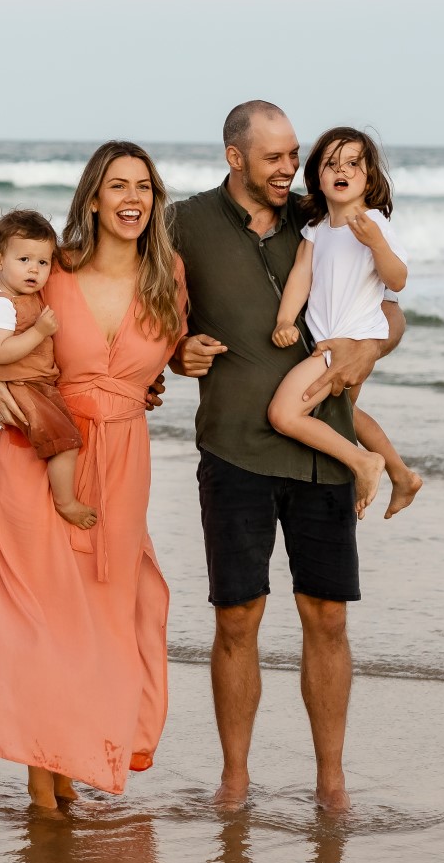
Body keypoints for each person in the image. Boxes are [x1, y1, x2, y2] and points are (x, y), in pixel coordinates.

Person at [165, 100, 406, 815]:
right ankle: (234, 778)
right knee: (237, 616)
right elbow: (150, 311)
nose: (287, 168)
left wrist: (375, 344)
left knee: (326, 615)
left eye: (292, 153)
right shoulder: (185, 222)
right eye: (273, 156)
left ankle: (330, 779)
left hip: (324, 451)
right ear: (234, 156)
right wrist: (178, 352)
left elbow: (390, 304)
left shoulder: (320, 213)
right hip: (235, 444)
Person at [0, 140, 187, 810]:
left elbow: (176, 357)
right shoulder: (52, 267)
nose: (131, 199)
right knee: (41, 619)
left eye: (143, 186)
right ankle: (45, 787)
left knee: (115, 610)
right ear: (93, 196)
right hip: (41, 452)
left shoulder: (169, 273)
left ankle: (79, 755)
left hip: (123, 459)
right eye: (117, 185)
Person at [268, 127, 423, 517]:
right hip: (329, 344)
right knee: (346, 416)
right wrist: (285, 319)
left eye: (354, 163)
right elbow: (301, 276)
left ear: (369, 177)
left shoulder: (373, 224)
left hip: (347, 346)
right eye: (331, 163)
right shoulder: (318, 229)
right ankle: (402, 475)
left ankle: (364, 462)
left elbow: (397, 280)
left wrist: (377, 243)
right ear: (317, 177)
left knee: (284, 415)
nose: (343, 170)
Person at [0, 208, 90, 529]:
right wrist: (39, 331)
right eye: (23, 260)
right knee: (65, 441)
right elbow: (1, 351)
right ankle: (65, 501)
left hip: (30, 380)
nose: (34, 270)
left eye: (42, 262)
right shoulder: (0, 303)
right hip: (20, 383)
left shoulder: (18, 294)